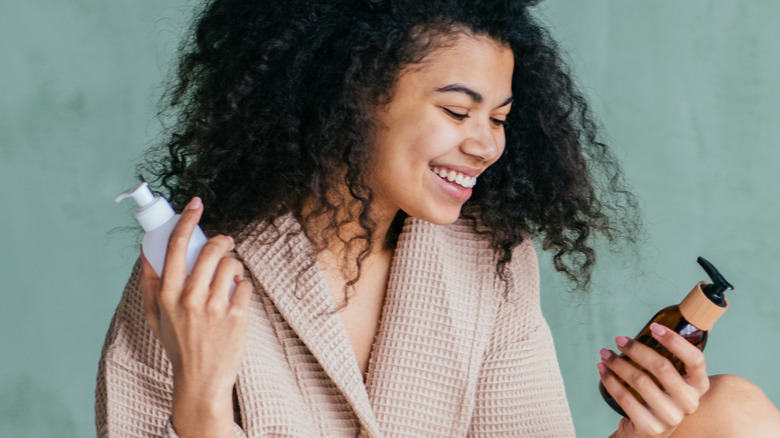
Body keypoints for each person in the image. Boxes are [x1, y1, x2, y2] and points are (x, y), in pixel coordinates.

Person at [96, 0, 780, 437]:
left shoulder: (491, 257)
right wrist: (204, 407)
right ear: (352, 94)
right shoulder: (189, 281)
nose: (487, 144)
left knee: (730, 411)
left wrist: (645, 423)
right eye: (457, 112)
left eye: (500, 118)